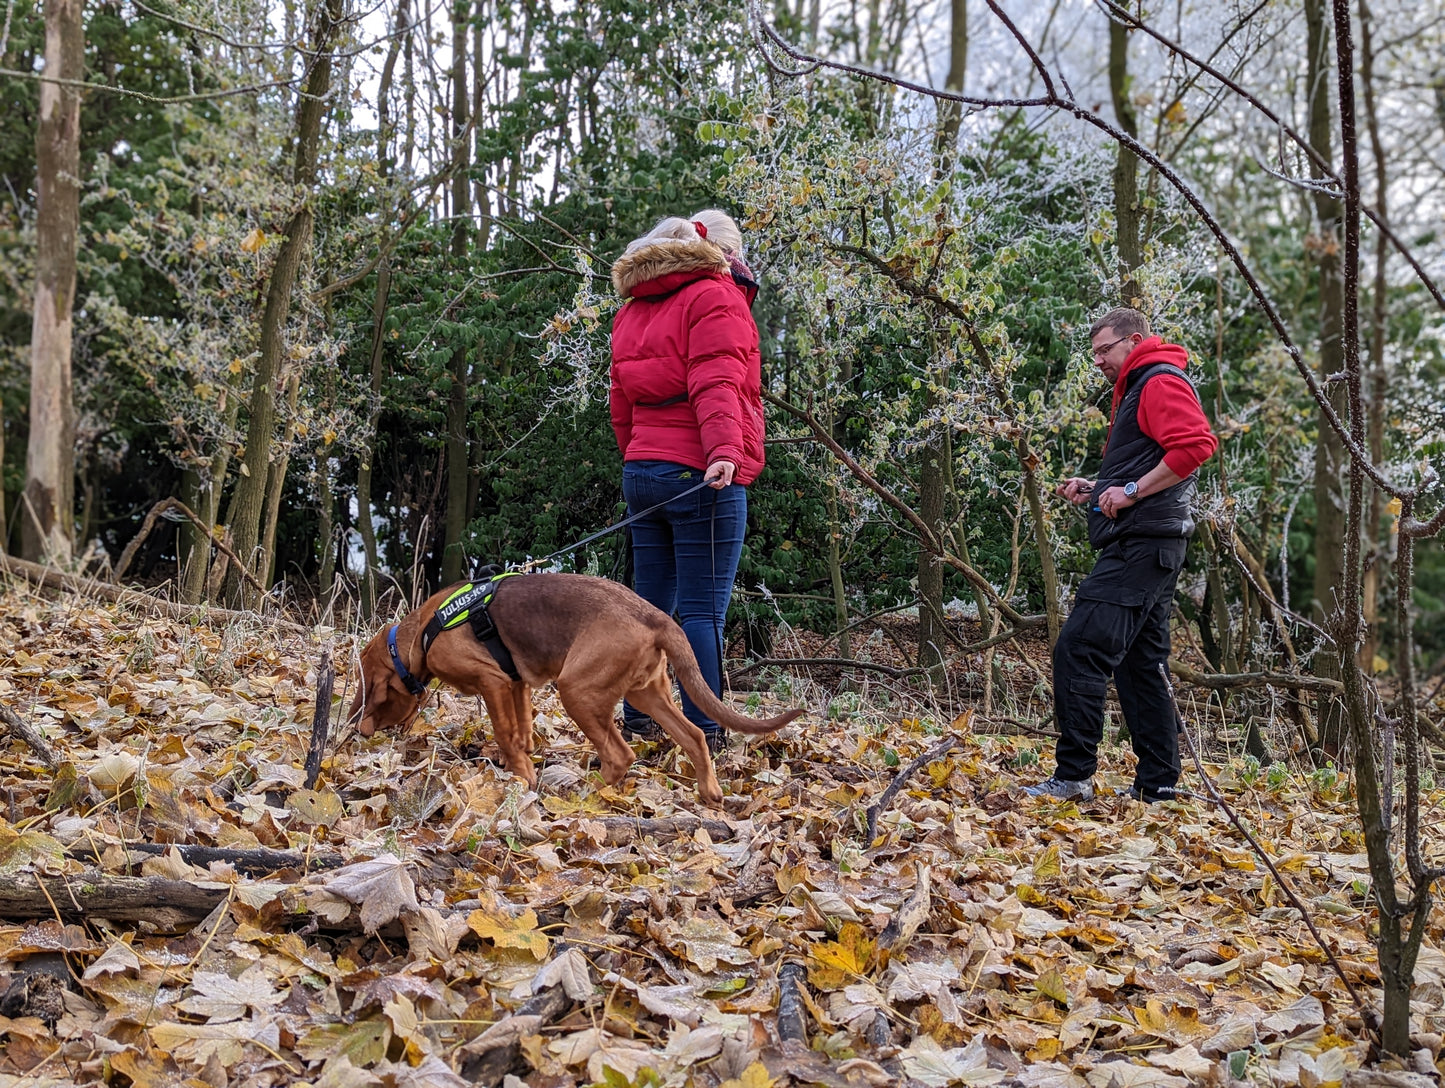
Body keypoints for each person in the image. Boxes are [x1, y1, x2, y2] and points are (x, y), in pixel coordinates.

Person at [1025, 307, 1218, 803]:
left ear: (1134, 340)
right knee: (1139, 665)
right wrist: (1100, 488)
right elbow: (1155, 460)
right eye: (1094, 355)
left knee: (1079, 648)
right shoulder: (1137, 387)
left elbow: (1195, 446)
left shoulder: (1157, 381)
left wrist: (1129, 490)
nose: (1098, 362)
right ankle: (1159, 784)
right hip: (1153, 542)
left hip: (1142, 545)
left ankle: (1072, 778)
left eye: (1104, 351)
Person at [608, 209, 765, 753]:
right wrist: (723, 451)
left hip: (644, 474)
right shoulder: (712, 297)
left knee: (646, 607)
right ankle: (709, 730)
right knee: (701, 611)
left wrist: (639, 460)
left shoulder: (633, 308)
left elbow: (620, 399)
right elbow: (717, 381)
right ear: (722, 253)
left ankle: (640, 719)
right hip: (701, 474)